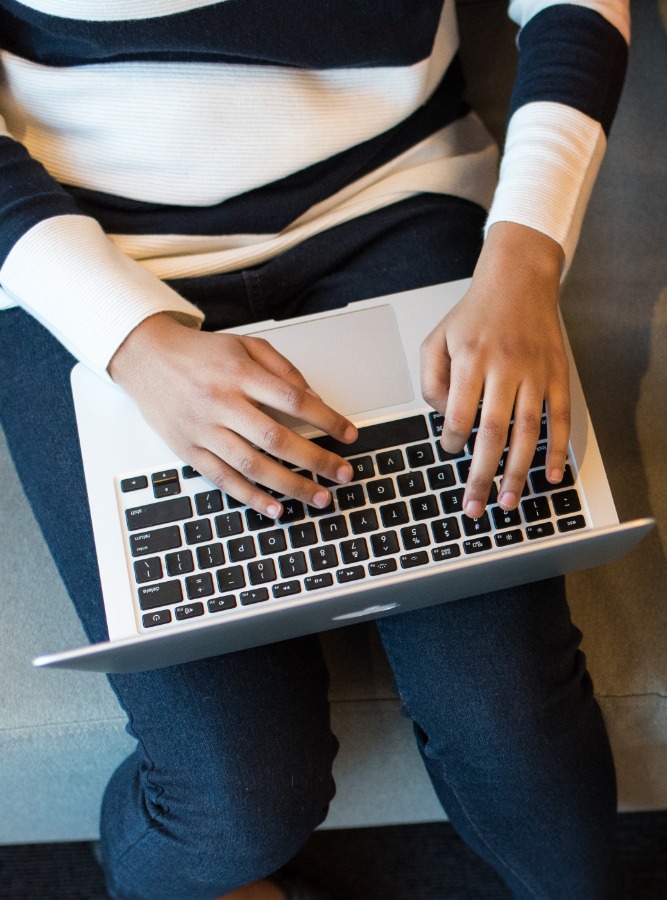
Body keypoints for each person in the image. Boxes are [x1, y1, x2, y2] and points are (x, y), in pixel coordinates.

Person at [0, 1, 630, 897]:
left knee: (510, 715)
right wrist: (129, 338)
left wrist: (525, 262)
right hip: (86, 237)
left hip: (391, 198)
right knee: (237, 796)